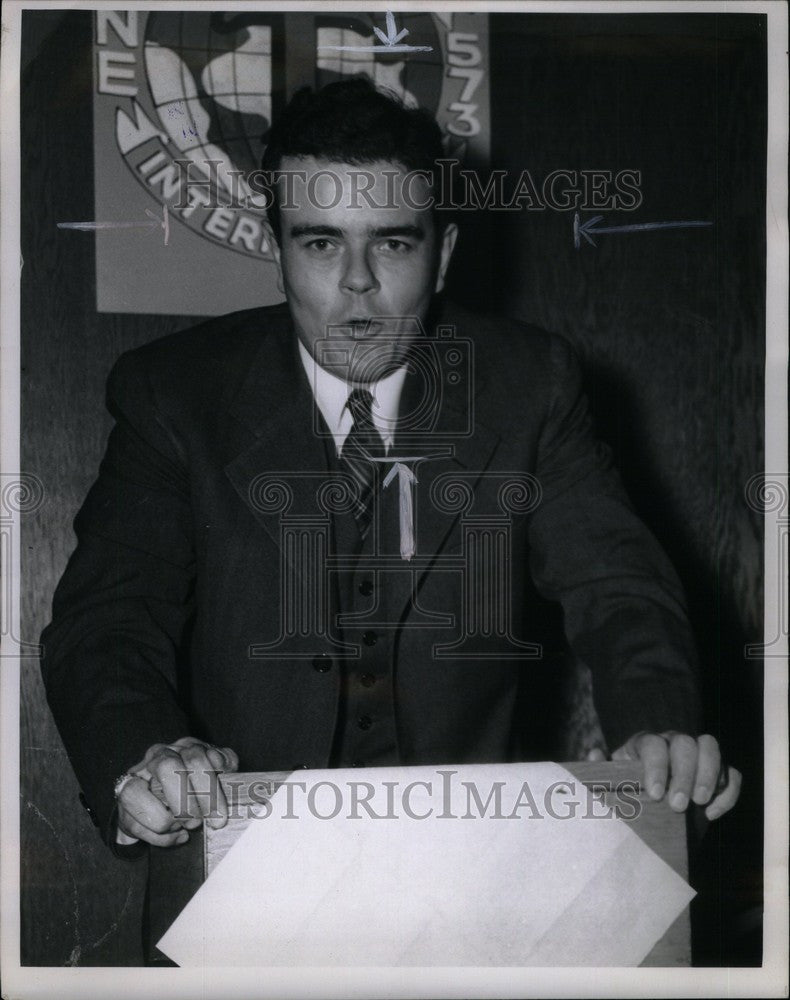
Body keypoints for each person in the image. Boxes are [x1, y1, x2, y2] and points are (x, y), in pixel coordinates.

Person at [40, 78, 740, 858]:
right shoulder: (173, 392)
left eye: (394, 242)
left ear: (442, 257)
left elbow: (618, 587)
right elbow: (108, 618)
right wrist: (148, 752)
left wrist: (657, 724)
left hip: (473, 866)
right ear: (278, 253)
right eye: (321, 242)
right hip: (236, 866)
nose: (358, 281)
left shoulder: (528, 383)